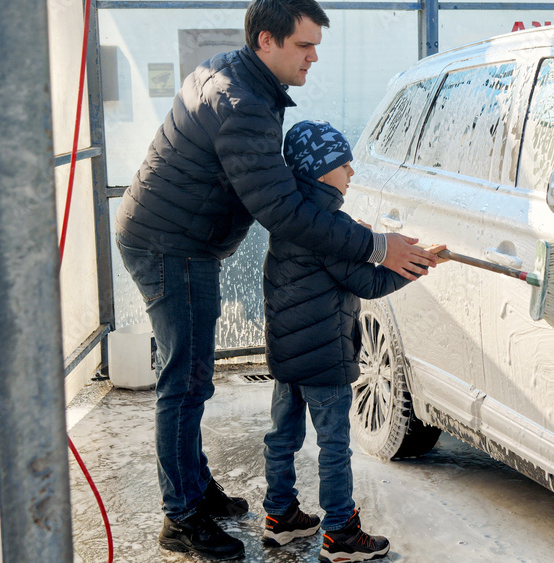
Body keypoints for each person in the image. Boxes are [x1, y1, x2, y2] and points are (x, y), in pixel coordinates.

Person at [114, 0, 438, 559]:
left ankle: (194, 487)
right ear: (267, 40)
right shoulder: (243, 105)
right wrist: (378, 247)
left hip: (177, 239)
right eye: (304, 45)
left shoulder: (236, 79)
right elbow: (283, 212)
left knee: (192, 378)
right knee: (185, 383)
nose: (314, 57)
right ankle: (181, 515)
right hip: (172, 247)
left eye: (316, 45)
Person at [261, 121, 441, 562]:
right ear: (323, 173)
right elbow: (368, 282)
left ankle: (279, 516)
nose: (352, 173)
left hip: (287, 359)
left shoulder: (291, 220)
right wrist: (417, 265)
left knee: (282, 437)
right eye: (345, 164)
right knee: (334, 447)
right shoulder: (329, 228)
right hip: (325, 360)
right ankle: (340, 531)